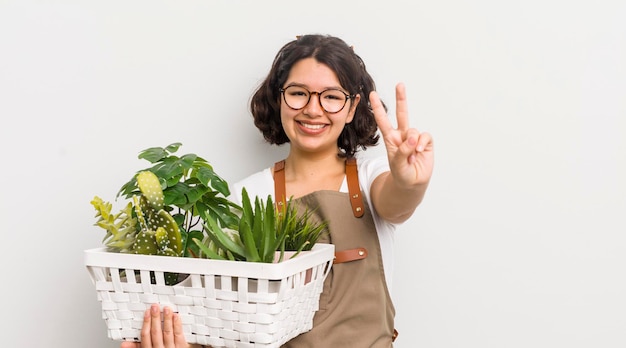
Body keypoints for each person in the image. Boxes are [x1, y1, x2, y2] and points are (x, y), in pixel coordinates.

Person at [121, 33, 434, 348]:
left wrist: (410, 181)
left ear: (352, 107)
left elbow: (397, 201)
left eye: (331, 96)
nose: (313, 109)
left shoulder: (372, 178)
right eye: (299, 93)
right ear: (278, 98)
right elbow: (221, 316)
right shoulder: (246, 196)